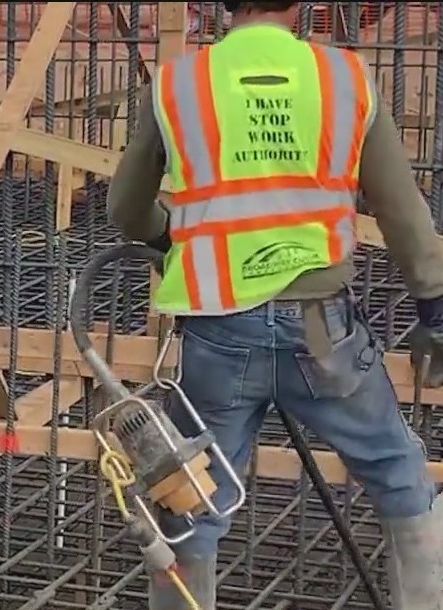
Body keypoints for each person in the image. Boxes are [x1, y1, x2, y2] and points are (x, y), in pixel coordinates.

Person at [107, 2, 443, 609]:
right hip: (321, 334)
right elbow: (401, 210)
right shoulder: (345, 78)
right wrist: (434, 307)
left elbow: (126, 210)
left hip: (218, 333)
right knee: (399, 474)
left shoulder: (180, 80)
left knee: (189, 498)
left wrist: (173, 238)